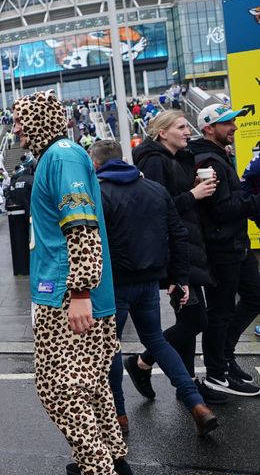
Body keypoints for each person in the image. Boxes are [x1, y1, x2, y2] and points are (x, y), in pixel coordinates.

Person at [14, 90, 138, 475]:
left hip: (70, 298)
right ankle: (114, 463)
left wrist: (81, 290)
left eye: (22, 120)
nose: (17, 129)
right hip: (65, 295)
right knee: (91, 387)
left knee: (60, 391)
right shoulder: (58, 155)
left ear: (41, 120)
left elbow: (81, 227)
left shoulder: (61, 156)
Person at [89, 140, 217, 436]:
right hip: (149, 281)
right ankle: (197, 404)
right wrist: (179, 278)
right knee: (157, 340)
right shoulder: (155, 189)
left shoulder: (98, 192)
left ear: (95, 164)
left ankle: (119, 415)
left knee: (110, 347)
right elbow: (178, 234)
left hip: (114, 285)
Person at [130, 110, 228, 405]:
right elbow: (156, 207)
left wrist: (196, 184)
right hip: (174, 253)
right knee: (196, 320)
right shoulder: (154, 161)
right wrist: (193, 194)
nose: (188, 131)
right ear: (163, 133)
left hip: (188, 249)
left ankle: (188, 386)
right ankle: (141, 363)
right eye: (182, 127)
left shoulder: (177, 158)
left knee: (188, 319)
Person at [190, 104, 260, 397]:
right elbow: (220, 210)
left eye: (234, 121)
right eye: (227, 123)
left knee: (254, 296)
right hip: (222, 248)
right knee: (220, 311)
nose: (234, 127)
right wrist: (255, 201)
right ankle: (217, 373)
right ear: (209, 128)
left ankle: (225, 357)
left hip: (236, 244)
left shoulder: (218, 155)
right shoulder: (208, 161)